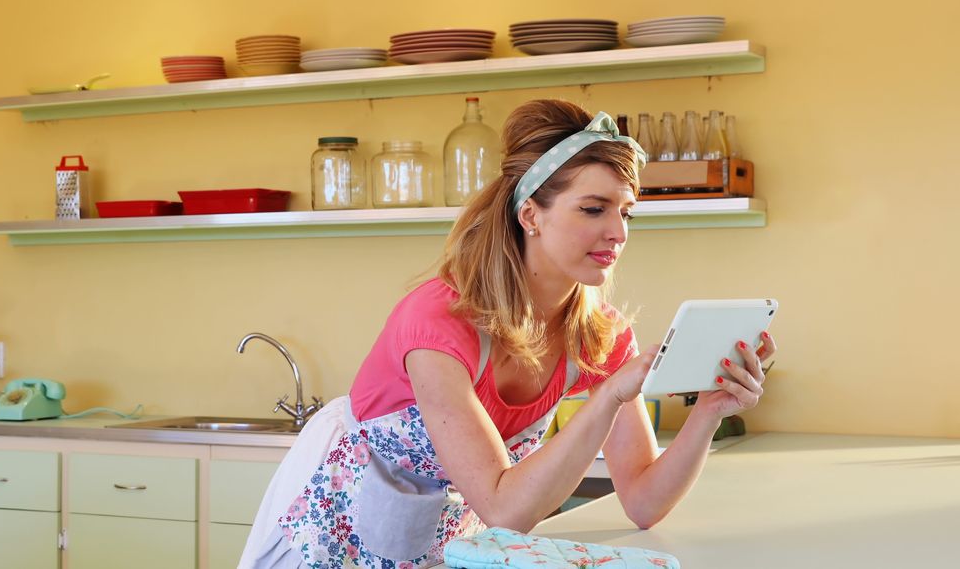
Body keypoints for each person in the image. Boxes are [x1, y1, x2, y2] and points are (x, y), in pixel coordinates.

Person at [238, 99, 777, 568]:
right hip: (337, 534)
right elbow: (504, 507)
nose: (618, 232)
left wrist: (709, 410)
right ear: (531, 215)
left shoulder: (598, 336)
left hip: (451, 541)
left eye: (626, 212)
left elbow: (642, 501)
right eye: (594, 209)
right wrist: (612, 393)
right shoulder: (438, 323)